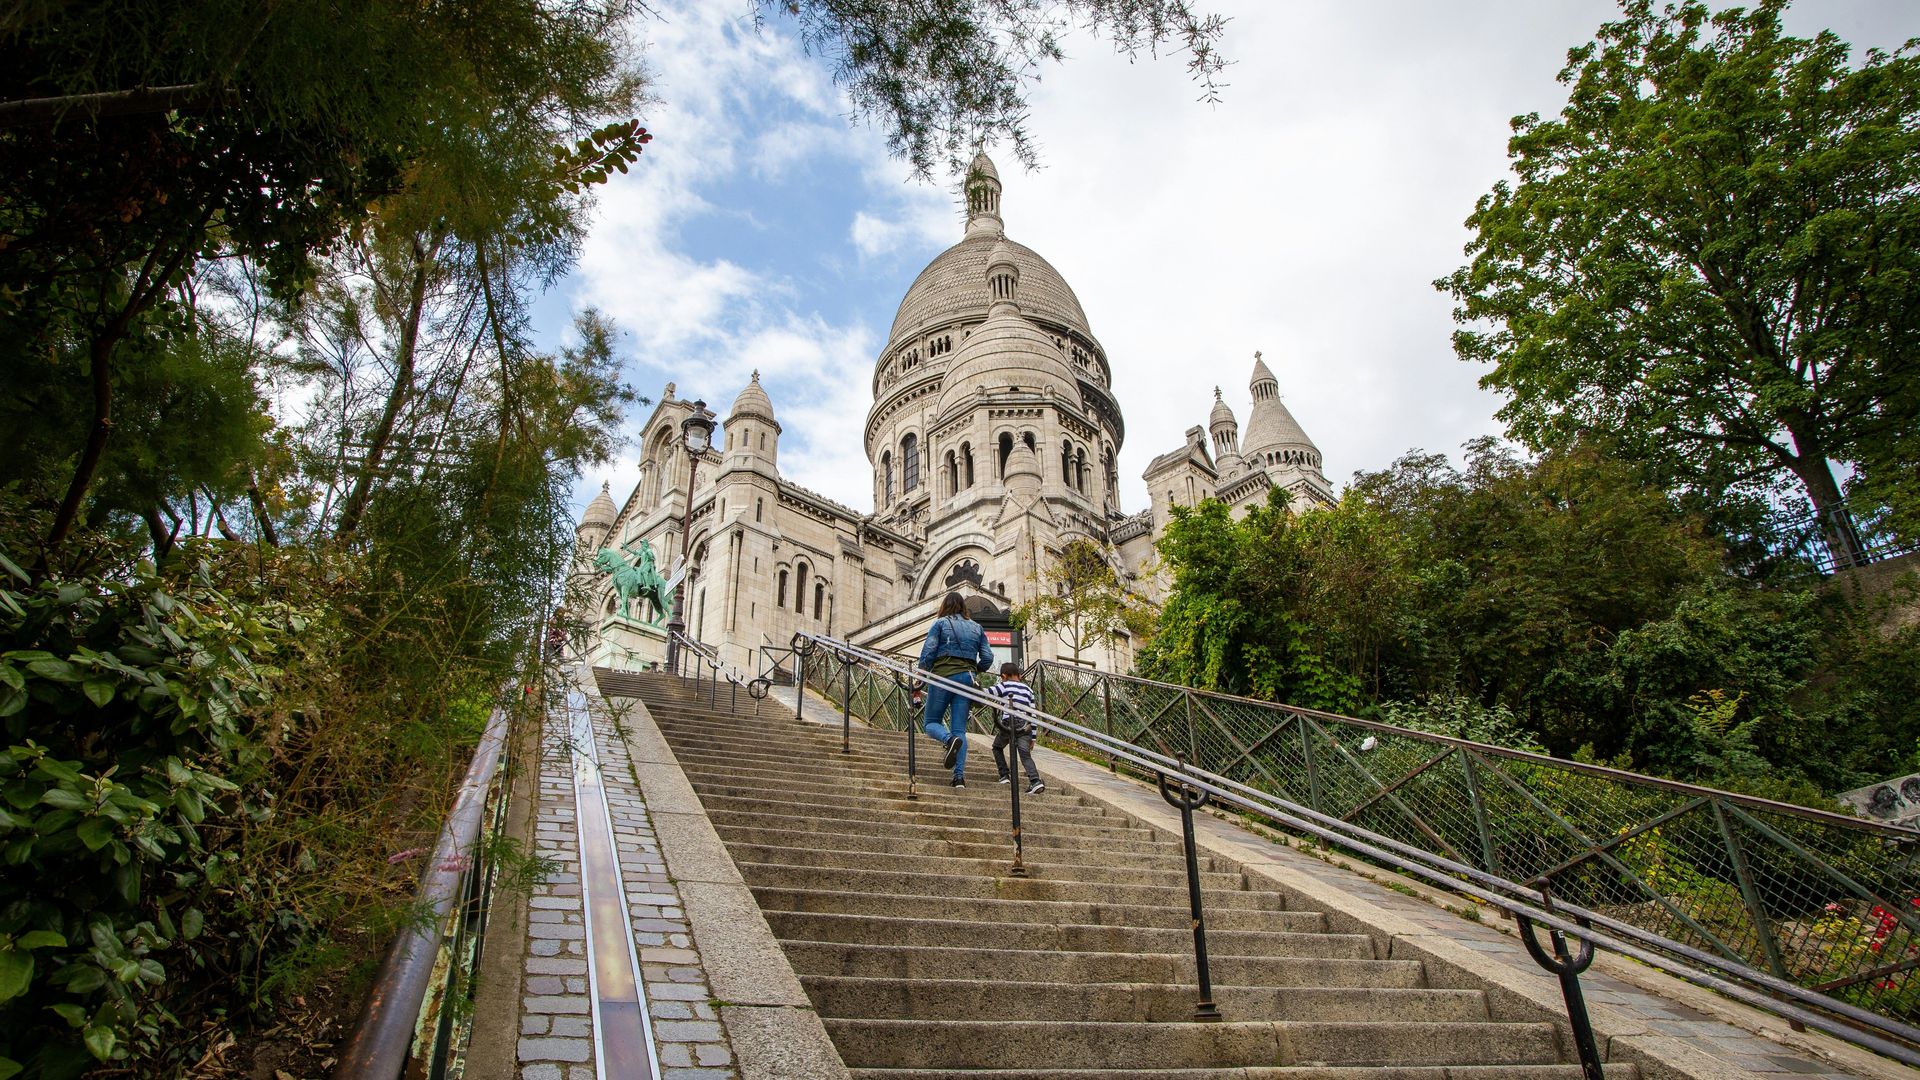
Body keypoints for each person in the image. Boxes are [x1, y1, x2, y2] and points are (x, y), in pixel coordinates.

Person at [915, 592, 994, 787]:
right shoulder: (977, 627)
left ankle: (949, 740)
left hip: (942, 677)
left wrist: (919, 682)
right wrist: (975, 669)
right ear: (963, 607)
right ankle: (959, 777)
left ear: (945, 606)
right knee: (961, 730)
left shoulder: (940, 624)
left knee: (931, 723)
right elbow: (988, 658)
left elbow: (927, 654)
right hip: (967, 679)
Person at [987, 662, 1044, 794]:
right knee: (1025, 754)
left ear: (1004, 676)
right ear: (1019, 675)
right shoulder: (1028, 690)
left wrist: (974, 687)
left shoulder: (1004, 685)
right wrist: (1033, 738)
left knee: (997, 747)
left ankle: (1004, 775)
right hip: (1025, 726)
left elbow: (988, 692)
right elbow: (1033, 714)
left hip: (1009, 723)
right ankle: (1035, 781)